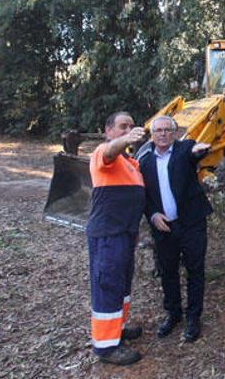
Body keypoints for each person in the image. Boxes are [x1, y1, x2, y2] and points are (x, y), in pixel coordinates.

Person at [138, 115, 212, 343]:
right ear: (152, 134)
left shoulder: (184, 149)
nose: (162, 134)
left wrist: (200, 149)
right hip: (163, 227)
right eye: (158, 130)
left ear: (175, 132)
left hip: (191, 223)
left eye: (167, 130)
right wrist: (151, 214)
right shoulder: (144, 159)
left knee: (195, 269)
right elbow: (143, 193)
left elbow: (195, 152)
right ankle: (174, 314)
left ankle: (193, 317)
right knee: (167, 271)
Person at [87, 111, 147, 365]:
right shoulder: (104, 153)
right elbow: (111, 150)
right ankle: (106, 347)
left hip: (125, 234)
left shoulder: (131, 163)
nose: (128, 130)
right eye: (122, 126)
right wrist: (125, 139)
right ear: (108, 130)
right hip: (109, 234)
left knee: (121, 286)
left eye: (131, 126)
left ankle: (117, 329)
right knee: (107, 285)